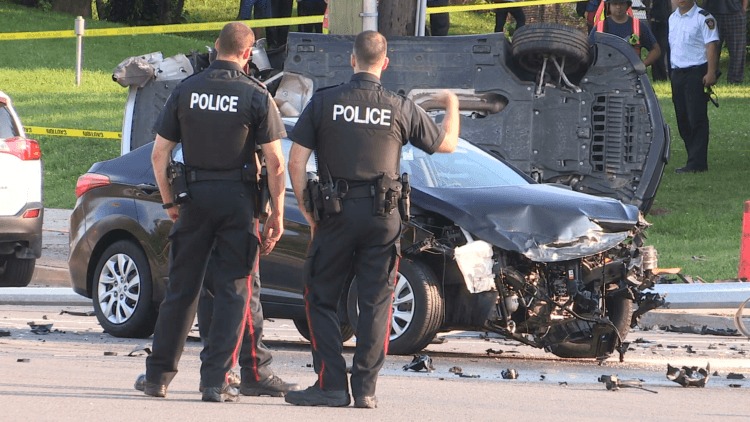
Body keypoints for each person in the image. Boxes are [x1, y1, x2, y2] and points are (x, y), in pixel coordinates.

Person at [284, 30, 460, 409]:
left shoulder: (326, 100)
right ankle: (365, 389)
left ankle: (330, 385)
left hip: (335, 215)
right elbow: (446, 144)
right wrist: (451, 102)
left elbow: (296, 162)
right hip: (384, 216)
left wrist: (309, 213)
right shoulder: (399, 107)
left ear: (352, 60)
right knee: (377, 302)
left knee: (319, 296)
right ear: (385, 62)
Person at [139, 21, 287, 403]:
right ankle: (216, 381)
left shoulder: (186, 90)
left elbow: (159, 153)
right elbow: (275, 162)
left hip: (195, 200)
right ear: (246, 54)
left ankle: (157, 378)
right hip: (239, 203)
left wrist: (170, 201)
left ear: (216, 47)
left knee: (182, 290)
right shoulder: (255, 95)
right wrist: (277, 215)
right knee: (233, 291)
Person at [669, 0, 719, 174]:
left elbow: (711, 45)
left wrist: (711, 72)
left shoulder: (704, 18)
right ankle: (693, 157)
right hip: (677, 73)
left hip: (695, 72)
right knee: (682, 118)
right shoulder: (672, 18)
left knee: (696, 117)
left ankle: (697, 163)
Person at [589, 0, 662, 68]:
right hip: (605, 76)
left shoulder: (638, 26)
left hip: (631, 76)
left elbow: (655, 50)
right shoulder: (599, 27)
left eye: (621, 3)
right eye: (615, 4)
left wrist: (642, 65)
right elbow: (587, 51)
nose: (618, 7)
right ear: (609, 6)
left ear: (627, 5)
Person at [703, 0, 748, 84]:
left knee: (737, 50)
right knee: (711, 47)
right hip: (711, 12)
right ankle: (710, 76)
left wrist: (743, 8)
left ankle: (735, 80)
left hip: (735, 12)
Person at [643, 0, 671, 81]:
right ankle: (659, 77)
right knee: (657, 49)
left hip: (668, 20)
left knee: (671, 50)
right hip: (656, 22)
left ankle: (670, 75)